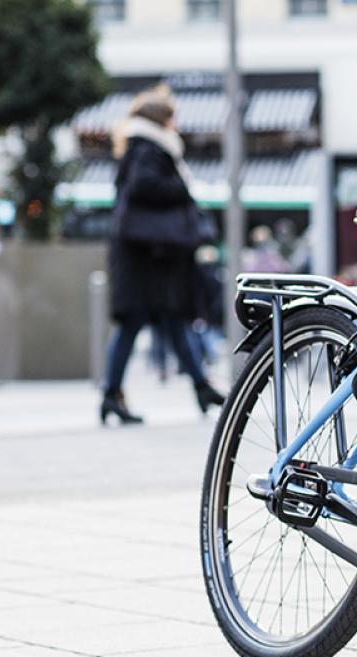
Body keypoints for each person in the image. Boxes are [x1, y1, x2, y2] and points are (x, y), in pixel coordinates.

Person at [100, 85, 224, 424]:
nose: (177, 124)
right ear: (159, 119)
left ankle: (200, 386)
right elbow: (144, 187)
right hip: (146, 257)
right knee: (137, 323)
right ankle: (112, 394)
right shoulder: (148, 149)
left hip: (151, 256)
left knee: (172, 321)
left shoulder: (140, 147)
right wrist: (183, 190)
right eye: (172, 117)